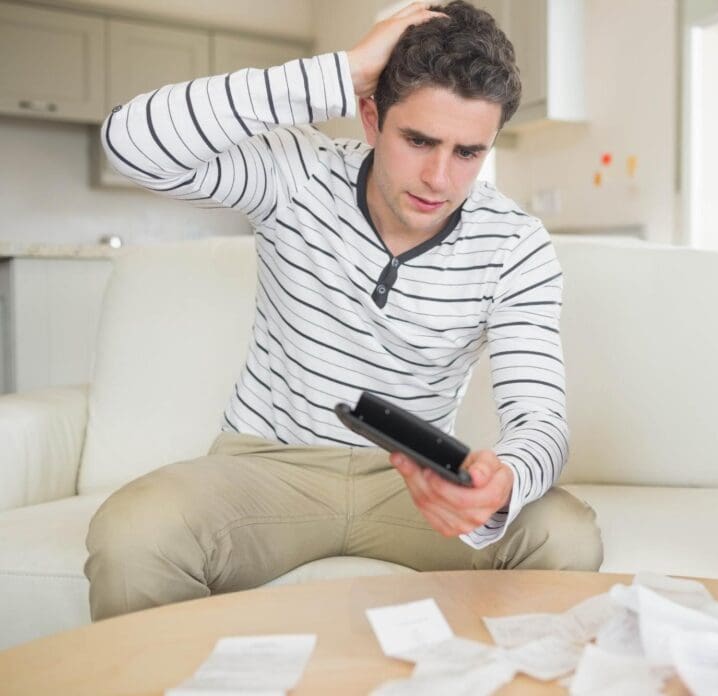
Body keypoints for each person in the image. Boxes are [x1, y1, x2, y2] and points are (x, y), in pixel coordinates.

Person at [85, 0, 602, 621]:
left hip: (412, 486)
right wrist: (343, 69)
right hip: (268, 467)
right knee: (132, 534)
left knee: (565, 534)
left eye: (468, 152)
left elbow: (541, 420)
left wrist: (505, 482)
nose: (439, 178)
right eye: (418, 140)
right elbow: (130, 142)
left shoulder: (515, 243)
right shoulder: (295, 176)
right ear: (370, 116)